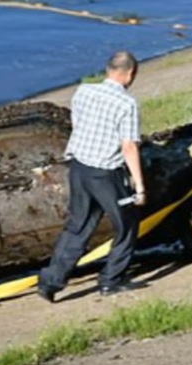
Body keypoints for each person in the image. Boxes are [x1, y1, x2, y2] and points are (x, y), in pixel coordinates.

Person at [37, 50, 146, 303]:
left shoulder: (83, 91)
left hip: (78, 167)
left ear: (108, 70)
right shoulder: (126, 103)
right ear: (130, 74)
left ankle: (49, 283)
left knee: (77, 227)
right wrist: (139, 186)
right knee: (127, 225)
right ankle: (111, 280)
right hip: (106, 173)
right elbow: (129, 146)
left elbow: (78, 124)